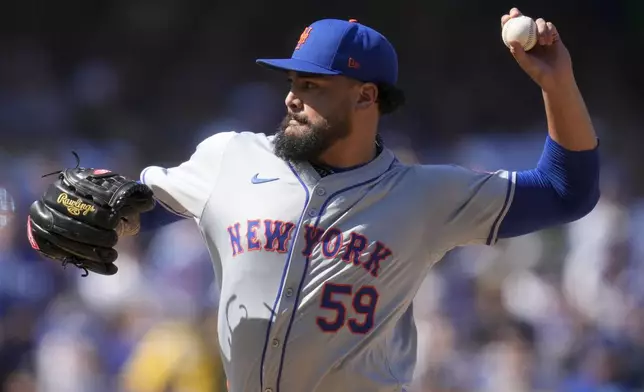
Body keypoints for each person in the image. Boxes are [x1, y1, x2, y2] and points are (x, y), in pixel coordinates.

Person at [28, 8, 600, 392]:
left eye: (312, 85)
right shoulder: (233, 156)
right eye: (293, 82)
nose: (292, 97)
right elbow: (135, 209)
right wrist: (82, 222)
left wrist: (558, 84)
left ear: (365, 97)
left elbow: (565, 190)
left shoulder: (425, 195)